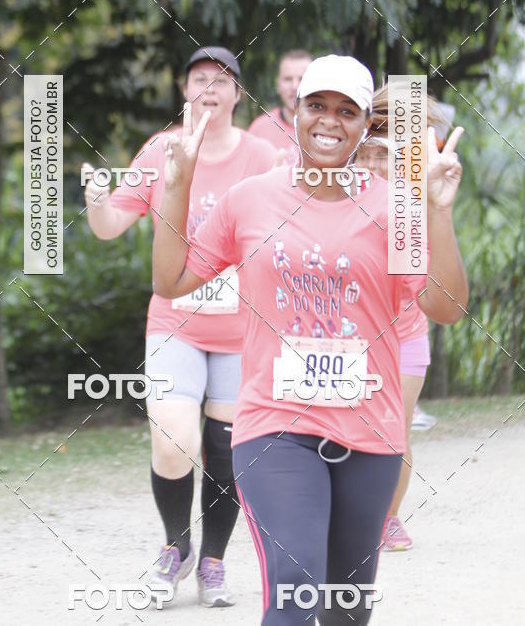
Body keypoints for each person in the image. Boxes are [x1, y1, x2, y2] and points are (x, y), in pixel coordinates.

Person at [152, 55, 468, 624]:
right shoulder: (249, 199)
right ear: (295, 111)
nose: (329, 120)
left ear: (364, 125)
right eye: (316, 105)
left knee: (347, 609)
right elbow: (171, 280)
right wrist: (177, 185)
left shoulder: (393, 207)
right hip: (276, 426)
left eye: (347, 110)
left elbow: (444, 306)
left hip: (370, 432)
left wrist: (436, 212)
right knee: (297, 583)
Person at [83, 46, 276, 607]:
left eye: (221, 81)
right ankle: (177, 547)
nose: (209, 90)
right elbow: (112, 224)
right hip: (176, 325)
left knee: (228, 451)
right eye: (198, 81)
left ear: (238, 94)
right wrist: (96, 202)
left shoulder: (264, 157)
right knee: (172, 442)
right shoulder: (159, 151)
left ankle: (213, 563)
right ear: (184, 91)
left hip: (244, 331)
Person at [355, 87, 450, 552]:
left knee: (396, 428)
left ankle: (388, 518)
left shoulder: (416, 185)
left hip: (405, 333)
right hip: (350, 336)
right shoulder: (346, 165)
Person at [248, 49, 312, 162]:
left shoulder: (326, 129)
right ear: (278, 85)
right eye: (288, 79)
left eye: (301, 79)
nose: (294, 86)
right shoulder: (259, 129)